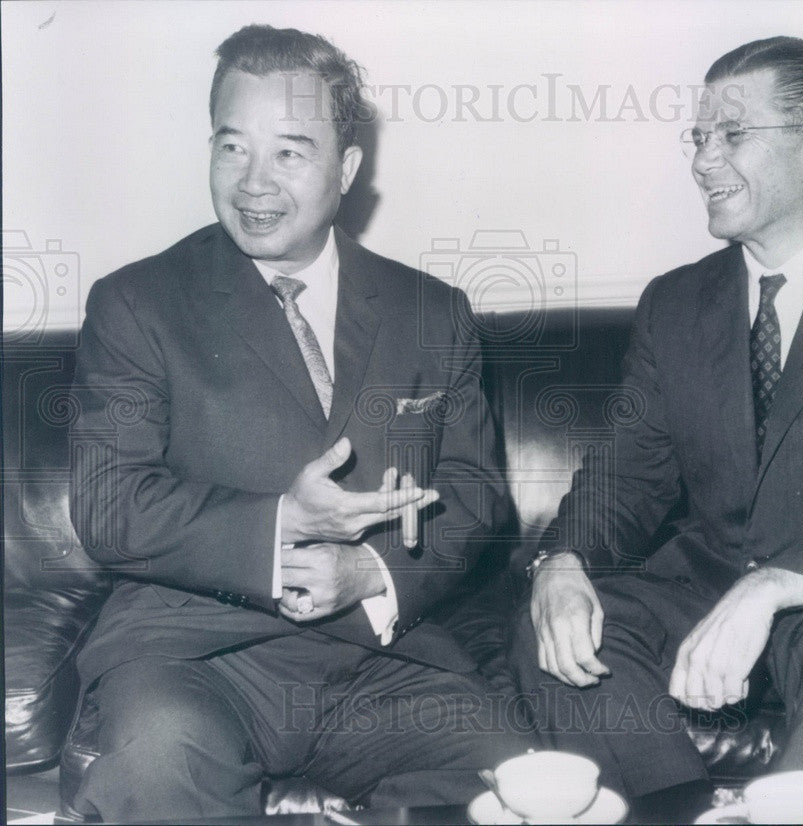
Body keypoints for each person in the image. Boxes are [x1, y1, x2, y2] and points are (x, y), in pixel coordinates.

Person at [510, 36, 803, 805]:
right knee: (560, 634)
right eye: (699, 138)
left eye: (732, 135)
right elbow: (627, 478)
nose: (703, 161)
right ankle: (684, 814)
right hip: (711, 586)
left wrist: (775, 585)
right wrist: (561, 564)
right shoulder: (675, 305)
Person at [69, 24, 530, 822]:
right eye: (230, 147)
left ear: (346, 168)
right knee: (158, 758)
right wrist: (279, 527)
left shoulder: (432, 312)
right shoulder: (136, 303)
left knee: (514, 779)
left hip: (378, 658)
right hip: (193, 656)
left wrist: (370, 575)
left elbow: (476, 495)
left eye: (289, 151)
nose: (253, 183)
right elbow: (110, 503)